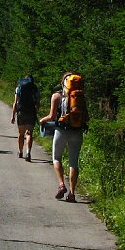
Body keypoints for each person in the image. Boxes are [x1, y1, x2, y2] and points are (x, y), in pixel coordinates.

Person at [38, 72, 86, 202]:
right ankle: (72, 193)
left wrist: (42, 120)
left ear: (63, 83)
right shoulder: (80, 96)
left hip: (61, 131)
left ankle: (61, 184)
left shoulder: (56, 96)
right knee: (73, 163)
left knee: (56, 158)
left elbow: (52, 117)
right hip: (77, 131)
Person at [11, 73, 40, 161]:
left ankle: (20, 152)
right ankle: (28, 152)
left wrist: (13, 116)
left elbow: (15, 103)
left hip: (21, 112)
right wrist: (36, 112)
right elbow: (38, 103)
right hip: (31, 112)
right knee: (29, 133)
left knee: (21, 134)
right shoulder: (35, 89)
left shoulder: (19, 88)